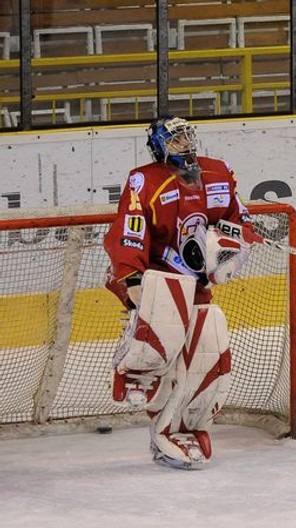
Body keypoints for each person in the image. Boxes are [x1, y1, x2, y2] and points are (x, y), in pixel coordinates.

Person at [103, 115, 256, 470]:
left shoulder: (218, 172)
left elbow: (238, 217)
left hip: (197, 283)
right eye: (175, 139)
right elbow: (130, 227)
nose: (185, 144)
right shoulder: (145, 180)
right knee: (165, 331)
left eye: (187, 136)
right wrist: (131, 277)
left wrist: (236, 243)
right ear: (159, 146)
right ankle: (137, 368)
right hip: (159, 279)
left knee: (208, 353)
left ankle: (182, 428)